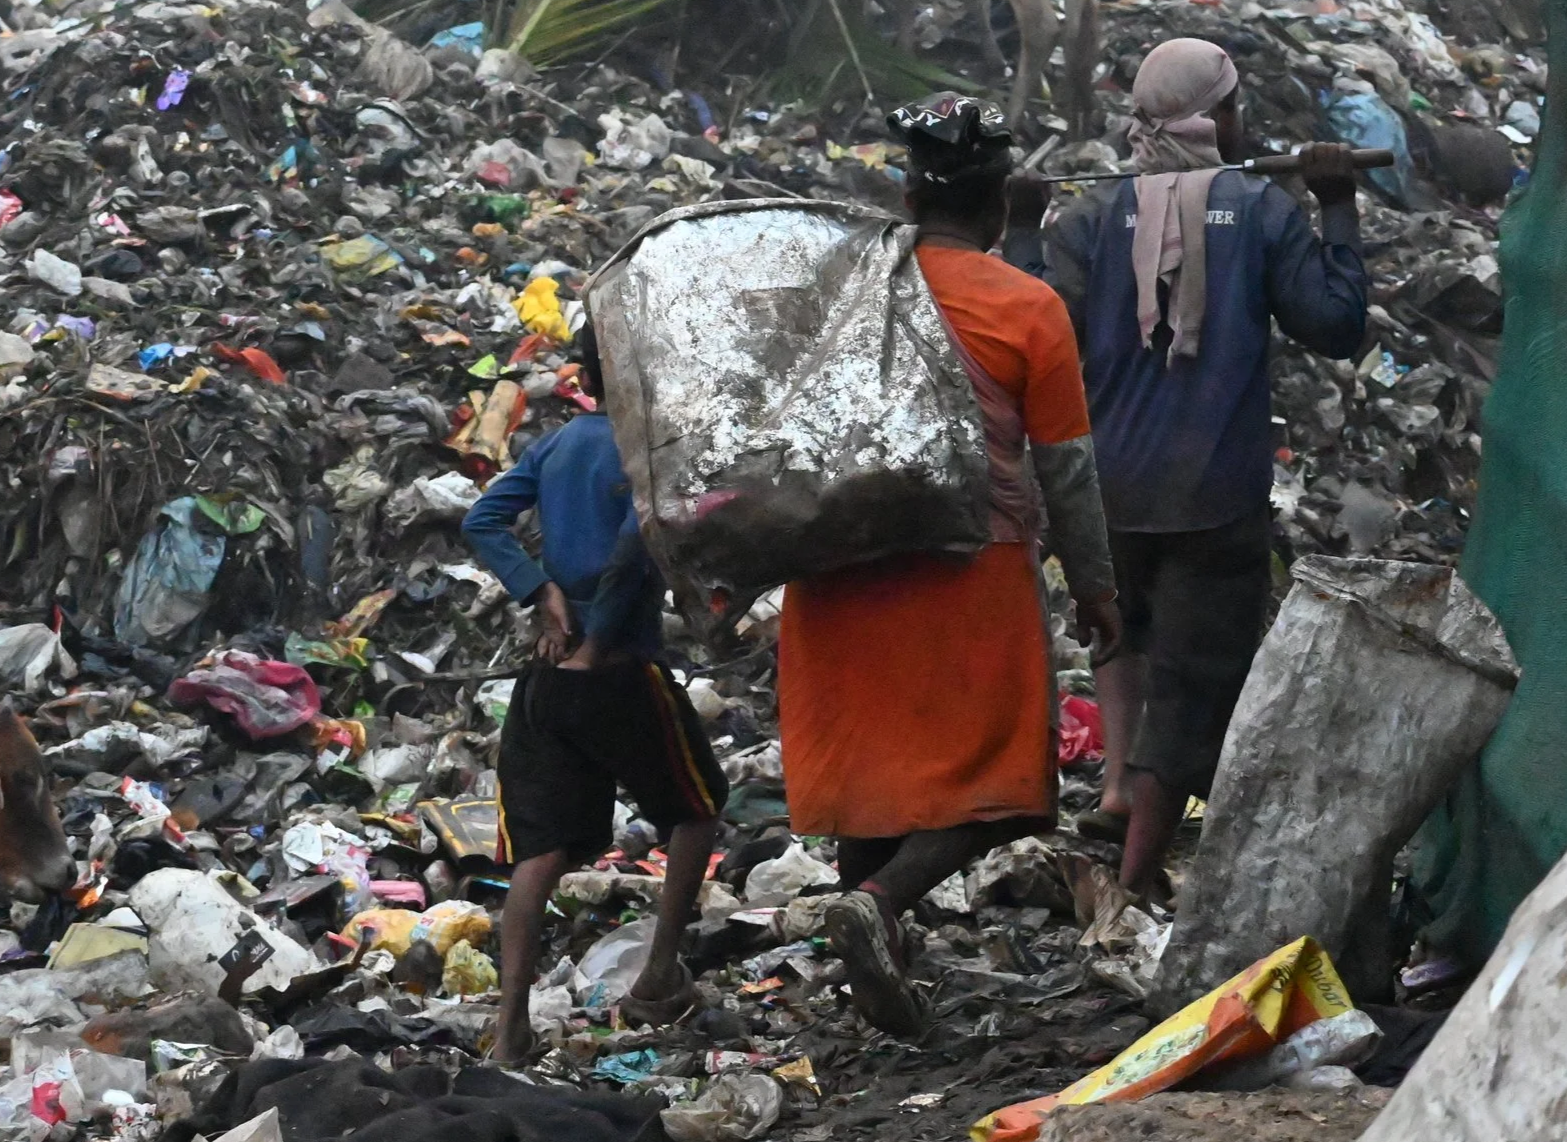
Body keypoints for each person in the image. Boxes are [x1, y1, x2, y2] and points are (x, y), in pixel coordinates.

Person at [778, 94, 1121, 1038]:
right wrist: (1095, 587)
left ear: (906, 191)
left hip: (838, 561)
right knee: (1008, 782)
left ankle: (874, 969)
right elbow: (1068, 468)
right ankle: (880, 906)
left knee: (867, 766)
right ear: (1002, 205)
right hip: (972, 569)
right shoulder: (1029, 305)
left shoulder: (843, 285)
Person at [1005, 36, 1368, 897]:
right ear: (1218, 116)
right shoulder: (1265, 210)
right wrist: (1339, 203)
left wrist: (1021, 227)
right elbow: (1337, 324)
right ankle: (1135, 877)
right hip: (1214, 491)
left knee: (1123, 629)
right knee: (1196, 678)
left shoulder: (1090, 218)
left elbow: (1032, 327)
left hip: (1105, 490)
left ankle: (1117, 783)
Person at [461, 326, 729, 1064]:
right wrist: (597, 643)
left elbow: (481, 520)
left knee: (539, 852)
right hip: (615, 665)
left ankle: (510, 1026)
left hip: (544, 674)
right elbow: (628, 555)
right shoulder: (647, 454)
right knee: (698, 807)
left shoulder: (555, 444)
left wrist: (539, 589)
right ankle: (656, 977)